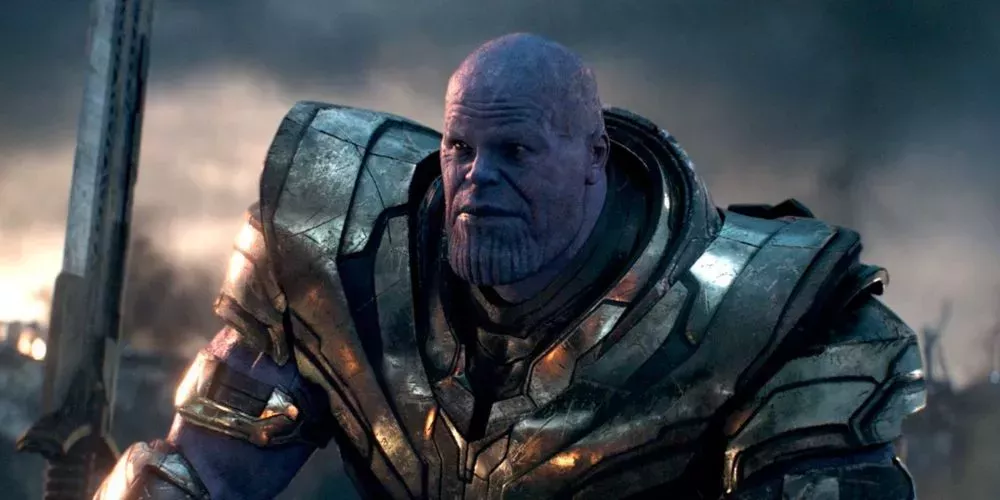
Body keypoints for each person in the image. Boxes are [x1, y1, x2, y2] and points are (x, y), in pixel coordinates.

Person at [96, 33, 925, 499]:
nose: (477, 179)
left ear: (595, 157)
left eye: (516, 152)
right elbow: (197, 472)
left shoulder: (775, 319)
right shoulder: (340, 250)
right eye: (461, 149)